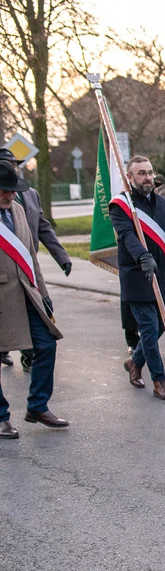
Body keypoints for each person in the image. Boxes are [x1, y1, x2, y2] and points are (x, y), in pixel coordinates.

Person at [109, 156, 165, 401]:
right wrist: (143, 256)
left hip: (161, 276)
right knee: (150, 329)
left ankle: (134, 361)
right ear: (129, 177)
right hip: (137, 276)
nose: (148, 177)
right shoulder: (121, 205)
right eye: (141, 173)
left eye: (150, 172)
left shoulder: (162, 202)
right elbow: (127, 235)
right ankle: (160, 381)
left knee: (162, 326)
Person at [0, 161, 67, 438]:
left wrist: (44, 293)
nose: (11, 195)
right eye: (4, 190)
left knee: (47, 345)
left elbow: (29, 256)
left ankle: (37, 406)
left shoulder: (16, 210)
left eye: (13, 191)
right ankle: (1, 417)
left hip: (27, 293)